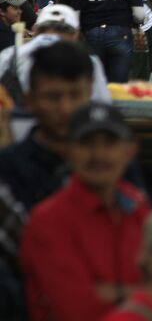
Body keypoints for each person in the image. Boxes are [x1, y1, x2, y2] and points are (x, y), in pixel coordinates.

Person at [20, 102, 150, 320]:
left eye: (109, 143)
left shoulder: (137, 206)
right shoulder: (48, 220)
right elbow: (77, 309)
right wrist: (146, 298)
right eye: (87, 143)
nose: (99, 154)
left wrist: (114, 294)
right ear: (67, 150)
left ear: (130, 150)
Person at [0, 41, 96, 315]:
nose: (65, 108)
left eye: (74, 95)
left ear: (90, 92)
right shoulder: (9, 170)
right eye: (53, 97)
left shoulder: (110, 165)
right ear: (29, 100)